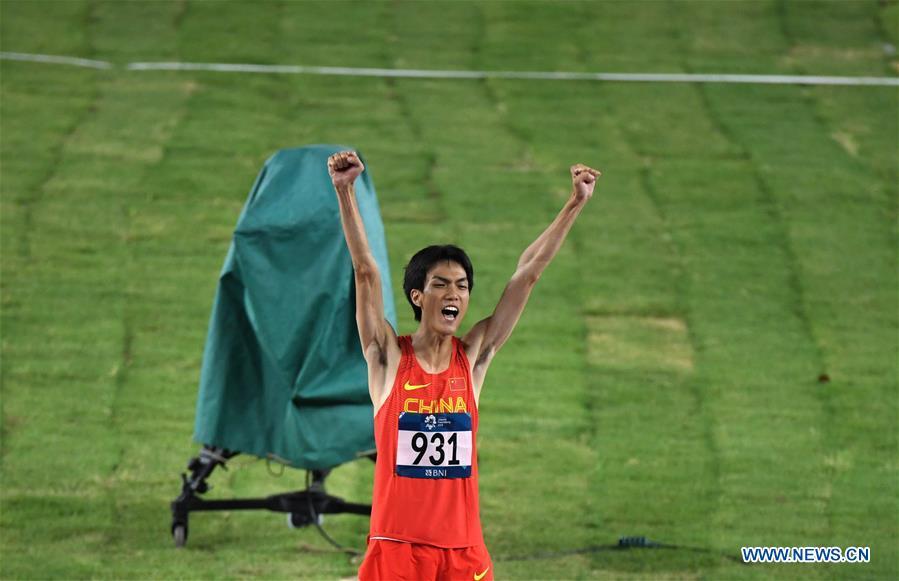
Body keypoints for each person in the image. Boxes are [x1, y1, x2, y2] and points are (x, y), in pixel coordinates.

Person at [328, 150, 600, 581]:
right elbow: (365, 272)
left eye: (462, 286)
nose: (453, 294)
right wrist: (345, 191)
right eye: (440, 285)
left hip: (464, 553)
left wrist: (575, 202)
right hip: (398, 551)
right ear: (418, 297)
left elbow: (527, 273)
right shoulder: (387, 357)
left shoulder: (473, 359)